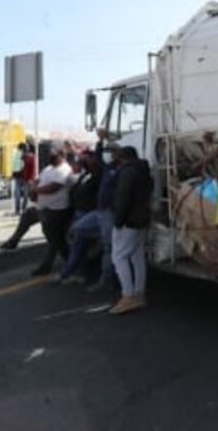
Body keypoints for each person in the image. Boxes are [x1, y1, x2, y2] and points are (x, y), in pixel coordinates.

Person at [108, 146, 153, 315]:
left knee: (119, 257)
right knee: (137, 256)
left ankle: (128, 296)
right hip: (142, 219)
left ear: (122, 158)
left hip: (129, 221)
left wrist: (118, 221)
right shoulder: (144, 172)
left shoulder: (127, 173)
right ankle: (139, 293)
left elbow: (122, 199)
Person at [57, 150, 103, 284]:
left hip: (88, 213)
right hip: (79, 213)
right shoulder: (85, 175)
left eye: (88, 159)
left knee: (77, 246)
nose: (85, 161)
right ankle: (79, 273)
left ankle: (66, 274)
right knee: (79, 246)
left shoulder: (98, 176)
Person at [87, 132, 123, 292]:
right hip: (100, 211)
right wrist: (100, 142)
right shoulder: (108, 168)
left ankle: (107, 280)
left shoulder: (121, 170)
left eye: (112, 151)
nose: (109, 154)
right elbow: (98, 158)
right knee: (79, 230)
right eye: (108, 151)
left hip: (109, 212)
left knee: (109, 247)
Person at [30, 148, 73, 276]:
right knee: (55, 240)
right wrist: (34, 187)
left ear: (62, 155)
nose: (51, 157)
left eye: (54, 155)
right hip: (44, 209)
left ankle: (50, 266)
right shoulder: (49, 168)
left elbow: (53, 188)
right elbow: (37, 180)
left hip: (56, 210)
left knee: (55, 240)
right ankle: (72, 264)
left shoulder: (64, 169)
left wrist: (35, 190)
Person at [12, 143, 36, 215]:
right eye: (20, 150)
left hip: (26, 178)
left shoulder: (31, 157)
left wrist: (31, 179)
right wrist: (13, 174)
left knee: (26, 195)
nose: (21, 151)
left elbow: (33, 168)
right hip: (18, 177)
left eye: (22, 149)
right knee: (17, 195)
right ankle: (17, 210)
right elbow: (14, 166)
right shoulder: (17, 156)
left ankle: (24, 209)